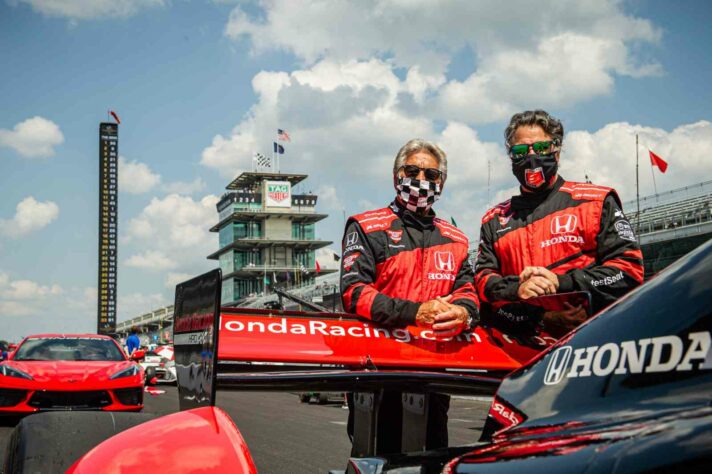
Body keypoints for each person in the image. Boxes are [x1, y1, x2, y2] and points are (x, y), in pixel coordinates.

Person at [340, 138, 479, 453]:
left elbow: (468, 290)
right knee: (377, 461)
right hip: (378, 372)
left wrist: (465, 313)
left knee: (431, 458)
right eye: (412, 170)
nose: (421, 180)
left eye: (431, 175)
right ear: (395, 176)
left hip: (434, 371)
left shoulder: (455, 238)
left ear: (441, 182)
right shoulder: (366, 226)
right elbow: (354, 292)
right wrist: (415, 312)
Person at [475, 110, 644, 333]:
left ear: (557, 152)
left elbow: (629, 271)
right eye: (521, 150)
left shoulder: (595, 201)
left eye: (542, 148)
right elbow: (483, 283)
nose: (532, 155)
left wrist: (560, 283)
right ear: (511, 156)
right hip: (523, 348)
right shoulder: (494, 220)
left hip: (593, 338)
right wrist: (520, 291)